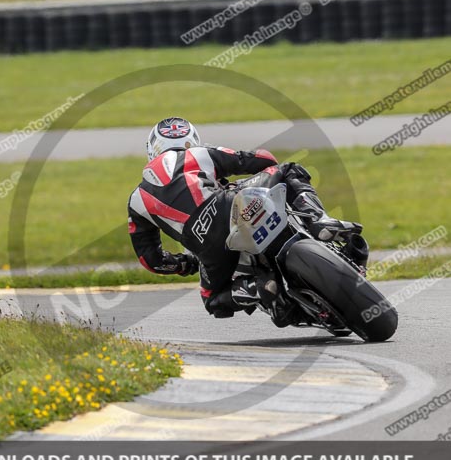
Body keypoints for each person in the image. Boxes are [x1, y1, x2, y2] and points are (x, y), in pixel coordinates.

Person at [127, 117, 368, 325]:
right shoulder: (199, 153)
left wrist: (186, 264)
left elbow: (151, 260)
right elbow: (261, 159)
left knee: (212, 300)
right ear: (192, 139)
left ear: (152, 150)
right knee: (289, 169)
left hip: (206, 246)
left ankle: (258, 288)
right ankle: (319, 221)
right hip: (231, 205)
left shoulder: (137, 199)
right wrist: (253, 178)